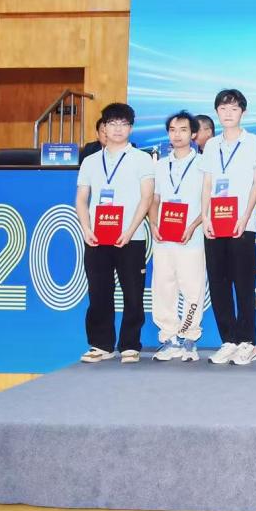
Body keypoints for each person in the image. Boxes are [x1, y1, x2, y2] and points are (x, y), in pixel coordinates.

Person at [74, 103, 155, 364]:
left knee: (133, 292)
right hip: (97, 237)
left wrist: (130, 231)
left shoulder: (142, 159)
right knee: (99, 291)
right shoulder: (90, 161)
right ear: (104, 128)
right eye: (112, 124)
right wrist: (86, 229)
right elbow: (81, 198)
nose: (118, 129)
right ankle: (101, 344)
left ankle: (130, 344)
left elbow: (146, 198)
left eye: (123, 124)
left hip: (131, 237)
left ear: (131, 128)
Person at [200, 88, 256, 366]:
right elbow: (207, 184)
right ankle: (228, 340)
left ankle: (247, 342)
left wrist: (245, 216)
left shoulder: (255, 143)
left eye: (234, 108)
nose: (228, 113)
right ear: (217, 112)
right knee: (218, 283)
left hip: (242, 224)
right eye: (223, 109)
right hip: (215, 223)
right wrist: (205, 217)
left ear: (243, 112)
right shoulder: (211, 145)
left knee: (244, 283)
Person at [149, 111, 206, 363]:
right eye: (172, 130)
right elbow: (155, 199)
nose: (177, 135)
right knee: (163, 288)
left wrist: (193, 226)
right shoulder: (161, 165)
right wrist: (153, 223)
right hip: (164, 238)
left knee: (192, 288)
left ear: (193, 134)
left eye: (183, 130)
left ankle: (189, 338)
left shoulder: (203, 164)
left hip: (191, 238)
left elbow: (209, 201)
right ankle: (169, 338)